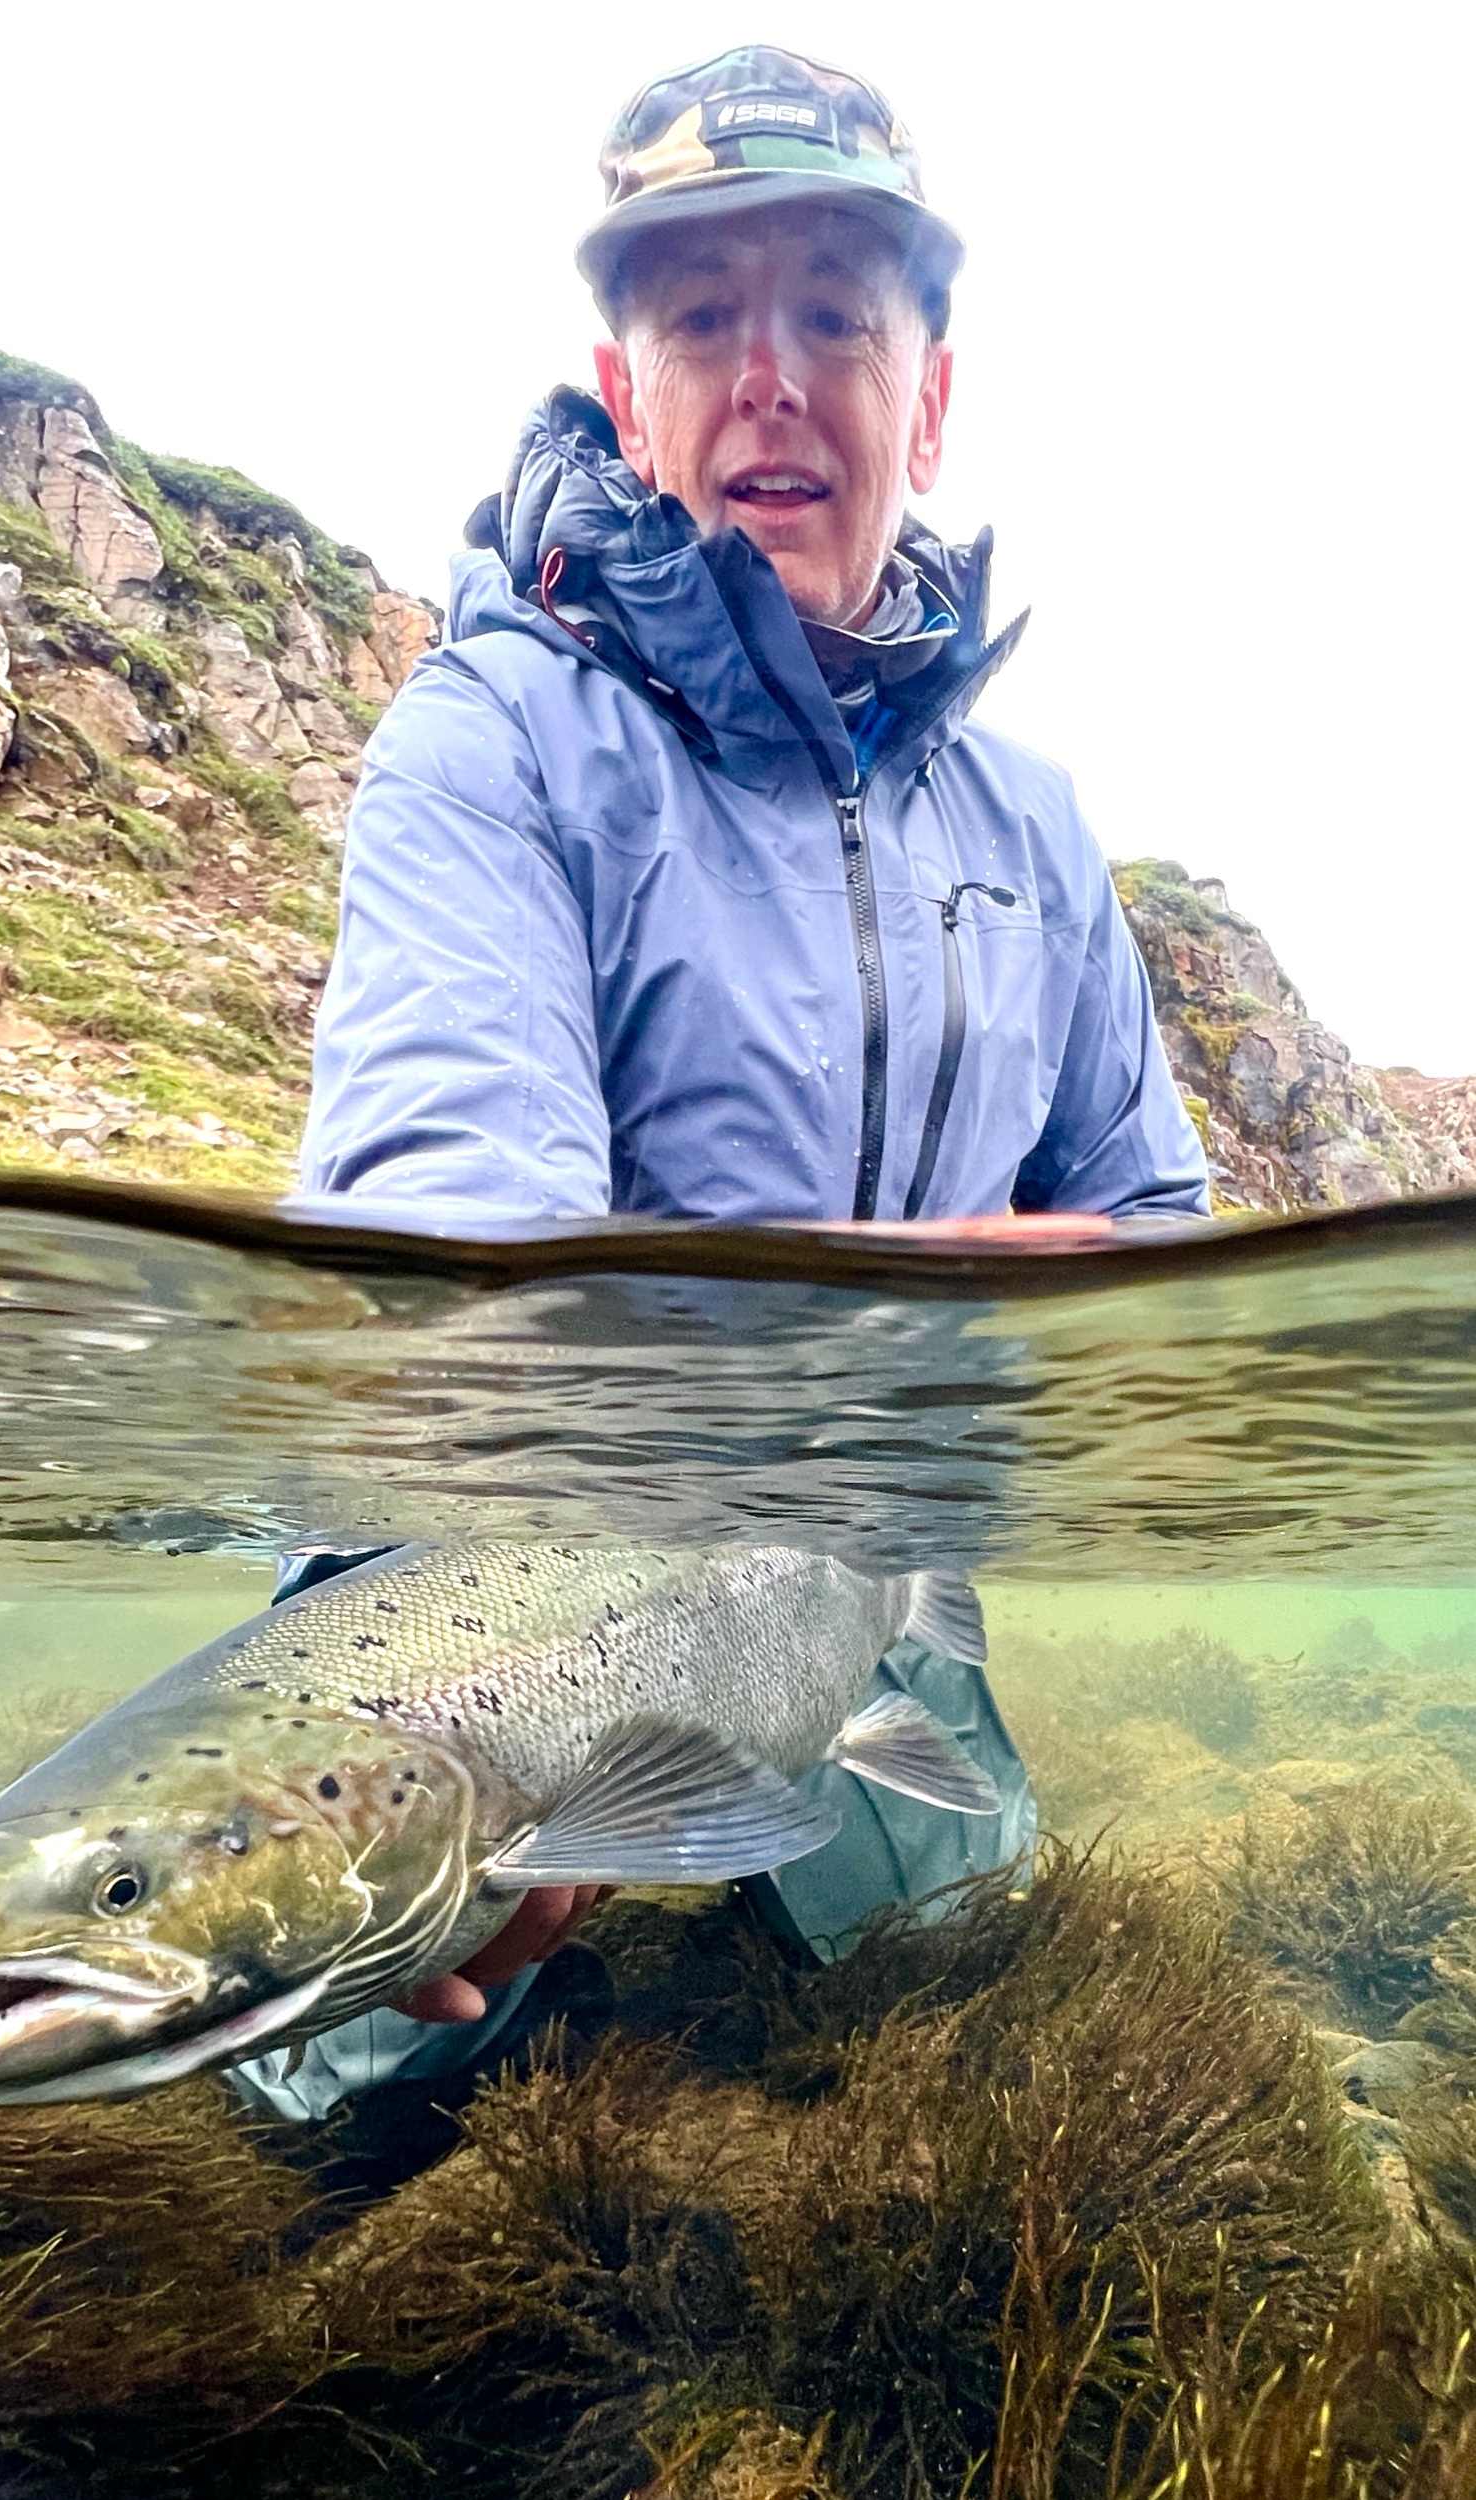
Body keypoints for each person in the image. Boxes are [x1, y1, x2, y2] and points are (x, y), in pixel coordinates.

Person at [232, 43, 1208, 2129]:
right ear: (624, 388)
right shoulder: (489, 736)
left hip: (873, 1603)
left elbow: (1153, 1228)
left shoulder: (1036, 826)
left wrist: (1011, 1357)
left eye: (835, 317)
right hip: (525, 1590)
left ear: (925, 400)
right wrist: (421, 1704)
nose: (769, 378)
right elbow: (456, 1228)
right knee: (331, 2118)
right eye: (699, 319)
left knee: (958, 2023)